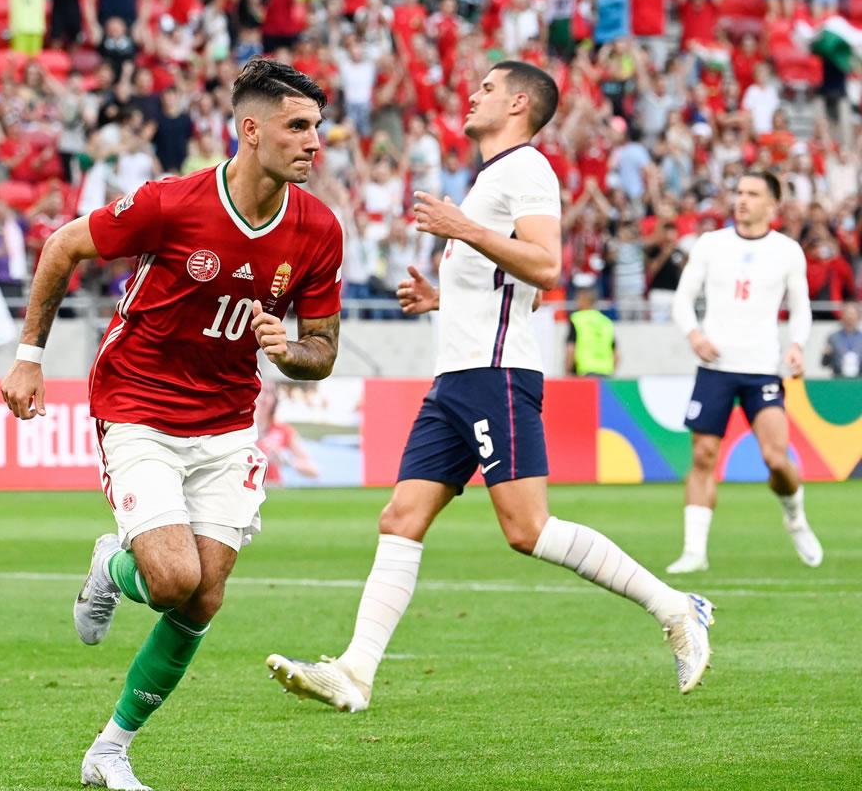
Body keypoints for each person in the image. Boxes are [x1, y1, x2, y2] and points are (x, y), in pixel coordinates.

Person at [265, 61, 715, 716]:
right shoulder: (490, 180)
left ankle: (677, 608)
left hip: (496, 375)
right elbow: (512, 288)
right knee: (400, 517)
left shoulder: (526, 168)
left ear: (520, 102)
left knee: (527, 529)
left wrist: (464, 230)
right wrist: (443, 297)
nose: (472, 94)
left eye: (487, 88)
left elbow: (548, 266)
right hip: (457, 377)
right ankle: (356, 672)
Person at [0, 58, 343, 791]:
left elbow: (323, 352)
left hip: (226, 421)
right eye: (298, 126)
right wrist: (29, 358)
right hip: (139, 404)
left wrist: (292, 350)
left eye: (317, 127)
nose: (316, 141)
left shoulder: (318, 230)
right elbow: (63, 246)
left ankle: (110, 750)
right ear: (250, 131)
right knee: (170, 579)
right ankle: (110, 564)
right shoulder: (172, 203)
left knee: (205, 595)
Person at [666, 170, 822, 574]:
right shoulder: (711, 244)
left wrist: (797, 344)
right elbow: (683, 300)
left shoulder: (787, 250)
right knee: (703, 456)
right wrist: (694, 334)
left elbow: (801, 306)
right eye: (738, 192)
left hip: (761, 369)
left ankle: (795, 516)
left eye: (752, 194)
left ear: (772, 204)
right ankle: (694, 551)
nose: (741, 200)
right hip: (715, 367)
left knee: (776, 458)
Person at [566, 281, 618, 376]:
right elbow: (616, 353)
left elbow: (571, 349)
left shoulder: (576, 319)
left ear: (583, 300)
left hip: (584, 372)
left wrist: (568, 371)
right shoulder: (606, 322)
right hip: (606, 373)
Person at [822, 301, 861, 378]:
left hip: (859, 381)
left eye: (852, 314)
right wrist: (826, 355)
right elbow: (824, 363)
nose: (850, 317)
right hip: (838, 380)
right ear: (842, 316)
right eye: (847, 314)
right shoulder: (833, 338)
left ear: (858, 316)